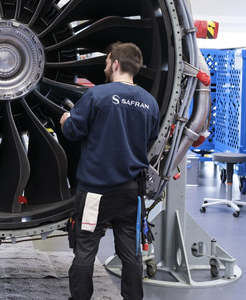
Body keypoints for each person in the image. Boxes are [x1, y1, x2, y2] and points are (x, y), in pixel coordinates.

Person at [60, 42, 160, 300]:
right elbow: (150, 141)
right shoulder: (150, 103)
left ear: (115, 63)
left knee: (85, 251)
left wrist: (65, 120)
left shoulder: (97, 96)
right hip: (130, 193)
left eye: (106, 62)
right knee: (132, 254)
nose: (105, 67)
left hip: (96, 193)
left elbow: (72, 132)